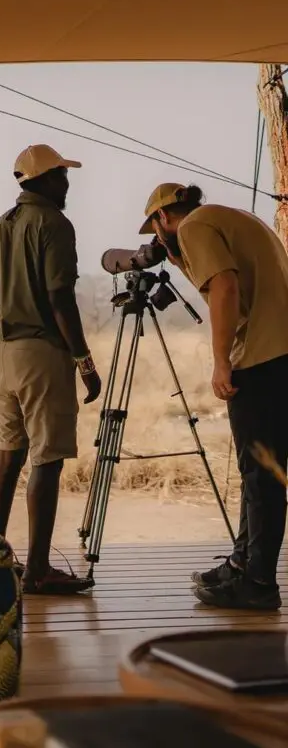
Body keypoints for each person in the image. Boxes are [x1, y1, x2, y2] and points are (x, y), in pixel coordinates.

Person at [141, 182, 288, 611]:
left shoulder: (195, 227)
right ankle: (243, 564)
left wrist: (221, 360)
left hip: (261, 358)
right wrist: (178, 260)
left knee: (261, 474)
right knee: (262, 471)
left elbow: (224, 287)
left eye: (154, 227)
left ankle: (258, 582)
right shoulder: (235, 218)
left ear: (164, 218)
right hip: (281, 353)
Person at [0, 144, 102, 595]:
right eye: (61, 176)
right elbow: (60, 297)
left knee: (7, 454)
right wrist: (84, 361)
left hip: (2, 351)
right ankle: (37, 570)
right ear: (46, 181)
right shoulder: (54, 222)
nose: (67, 184)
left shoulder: (0, 226)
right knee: (47, 459)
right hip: (40, 353)